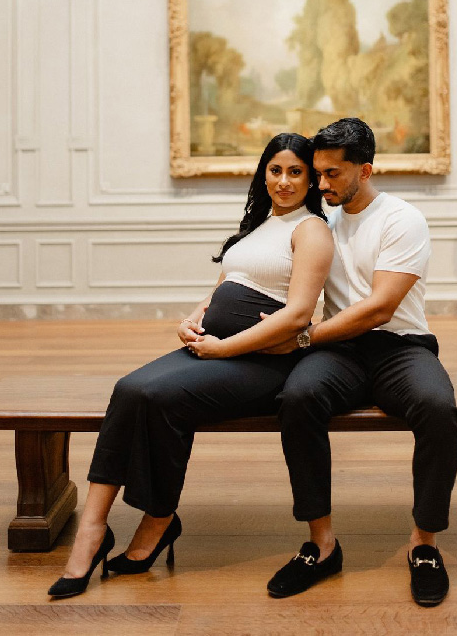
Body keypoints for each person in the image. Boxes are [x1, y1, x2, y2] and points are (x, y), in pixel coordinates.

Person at [48, 132, 333, 598]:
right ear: (264, 173)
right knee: (128, 389)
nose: (284, 181)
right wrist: (193, 318)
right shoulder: (259, 226)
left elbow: (298, 314)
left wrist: (226, 348)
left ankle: (157, 521)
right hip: (215, 349)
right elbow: (227, 283)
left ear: (310, 179)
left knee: (158, 396)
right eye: (276, 170)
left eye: (295, 172)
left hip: (264, 363)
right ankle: (93, 531)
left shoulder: (311, 230)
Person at [264, 117, 457, 608]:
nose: (322, 183)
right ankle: (322, 544)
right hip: (339, 351)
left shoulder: (402, 219)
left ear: (365, 170)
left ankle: (425, 544)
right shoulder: (318, 220)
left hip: (400, 346)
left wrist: (302, 338)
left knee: (439, 410)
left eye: (332, 174)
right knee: (298, 397)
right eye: (318, 173)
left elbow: (379, 308)